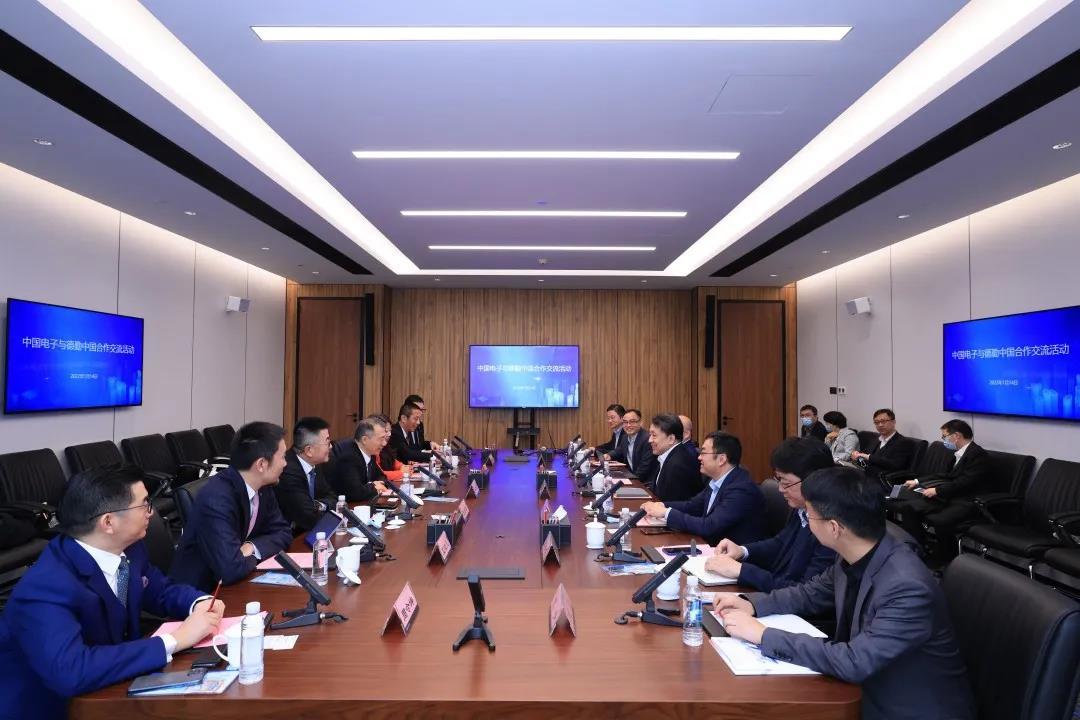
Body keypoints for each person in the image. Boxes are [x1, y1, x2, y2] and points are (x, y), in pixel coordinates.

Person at [716, 466, 974, 720]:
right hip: (859, 688)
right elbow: (811, 593)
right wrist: (752, 604)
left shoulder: (906, 587)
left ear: (834, 528)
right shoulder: (856, 552)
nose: (806, 520)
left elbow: (855, 661)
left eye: (810, 515)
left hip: (903, 707)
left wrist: (763, 635)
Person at [0, 465, 225, 719]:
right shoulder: (46, 586)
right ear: (108, 522)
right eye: (144, 504)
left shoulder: (128, 548)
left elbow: (159, 589)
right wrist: (175, 640)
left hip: (112, 688)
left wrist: (199, 602)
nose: (151, 512)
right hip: (50, 708)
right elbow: (71, 671)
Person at [169, 421, 293, 592]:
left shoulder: (263, 487)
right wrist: (245, 555)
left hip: (238, 583)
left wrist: (251, 547)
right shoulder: (216, 499)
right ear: (261, 464)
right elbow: (230, 569)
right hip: (200, 594)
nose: (285, 463)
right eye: (283, 457)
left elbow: (284, 533)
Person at [704, 437, 836, 591]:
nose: (780, 489)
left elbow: (805, 592)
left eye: (786, 483)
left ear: (813, 481)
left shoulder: (831, 526)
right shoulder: (801, 507)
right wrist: (742, 551)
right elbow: (780, 543)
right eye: (779, 481)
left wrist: (742, 571)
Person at [641, 431, 765, 545]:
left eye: (703, 453)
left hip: (732, 557)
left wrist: (666, 513)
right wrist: (661, 505)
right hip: (711, 547)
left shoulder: (741, 489)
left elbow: (709, 526)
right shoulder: (717, 480)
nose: (699, 457)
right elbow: (692, 506)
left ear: (721, 459)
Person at [890, 419, 991, 557]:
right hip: (949, 496)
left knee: (940, 520)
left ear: (956, 436)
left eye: (944, 436)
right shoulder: (958, 453)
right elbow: (946, 476)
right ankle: (919, 549)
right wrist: (917, 481)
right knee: (909, 507)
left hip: (967, 500)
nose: (943, 440)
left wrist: (937, 490)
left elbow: (965, 482)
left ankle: (947, 557)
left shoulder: (978, 455)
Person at [274, 416, 337, 532]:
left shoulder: (314, 464)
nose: (331, 446)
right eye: (327, 442)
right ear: (309, 450)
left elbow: (333, 498)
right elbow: (308, 517)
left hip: (309, 529)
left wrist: (319, 505)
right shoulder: (287, 470)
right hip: (291, 534)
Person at [639, 413, 702, 502]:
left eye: (654, 435)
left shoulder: (678, 464)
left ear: (671, 439)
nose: (649, 440)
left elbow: (673, 503)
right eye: (650, 435)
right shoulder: (670, 455)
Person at [326, 418, 390, 502]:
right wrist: (374, 486)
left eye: (385, 438)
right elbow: (356, 493)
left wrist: (373, 485)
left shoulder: (369, 451)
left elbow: (382, 477)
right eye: (381, 439)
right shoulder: (347, 456)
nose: (384, 443)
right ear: (364, 440)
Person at [850, 408, 914, 480]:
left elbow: (896, 465)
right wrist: (857, 455)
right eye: (876, 422)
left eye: (883, 421)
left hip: (883, 479)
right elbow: (865, 455)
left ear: (893, 422)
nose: (880, 425)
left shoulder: (903, 442)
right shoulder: (875, 439)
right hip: (865, 473)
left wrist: (868, 457)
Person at [605, 408, 652, 476]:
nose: (628, 425)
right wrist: (609, 455)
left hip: (643, 480)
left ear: (640, 422)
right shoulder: (625, 437)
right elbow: (619, 450)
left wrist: (631, 479)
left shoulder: (647, 440)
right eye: (625, 422)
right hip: (632, 476)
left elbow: (645, 468)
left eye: (632, 421)